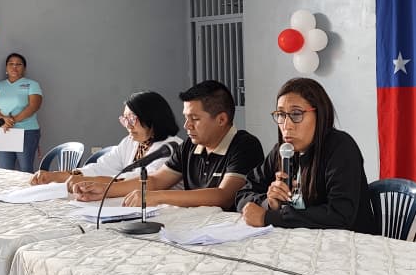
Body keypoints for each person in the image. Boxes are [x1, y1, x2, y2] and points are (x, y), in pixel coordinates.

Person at [73, 80, 263, 209]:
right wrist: (104, 190)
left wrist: (158, 196)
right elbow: (156, 180)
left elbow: (224, 196)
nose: (187, 125)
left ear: (221, 119)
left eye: (195, 119)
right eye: (186, 117)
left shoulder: (244, 145)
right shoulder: (189, 146)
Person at [237, 77, 376, 233]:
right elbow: (243, 194)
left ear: (320, 114)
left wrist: (270, 217)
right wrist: (268, 203)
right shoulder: (282, 151)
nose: (286, 125)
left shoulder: (341, 148)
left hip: (348, 241)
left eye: (296, 114)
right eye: (281, 114)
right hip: (300, 240)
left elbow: (340, 215)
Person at [30, 91, 181, 187]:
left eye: (132, 119)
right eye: (125, 119)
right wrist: (57, 175)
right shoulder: (130, 142)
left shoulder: (171, 147)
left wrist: (90, 181)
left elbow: (142, 181)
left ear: (152, 118)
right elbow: (101, 167)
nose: (127, 125)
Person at [0, 53, 42, 173]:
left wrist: (12, 120)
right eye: (11, 64)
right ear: (6, 67)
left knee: (25, 170)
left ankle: (28, 187)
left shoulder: (32, 84)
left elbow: (34, 106)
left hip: (26, 131)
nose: (14, 67)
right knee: (4, 170)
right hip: (4, 131)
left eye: (18, 64)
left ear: (24, 68)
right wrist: (2, 120)